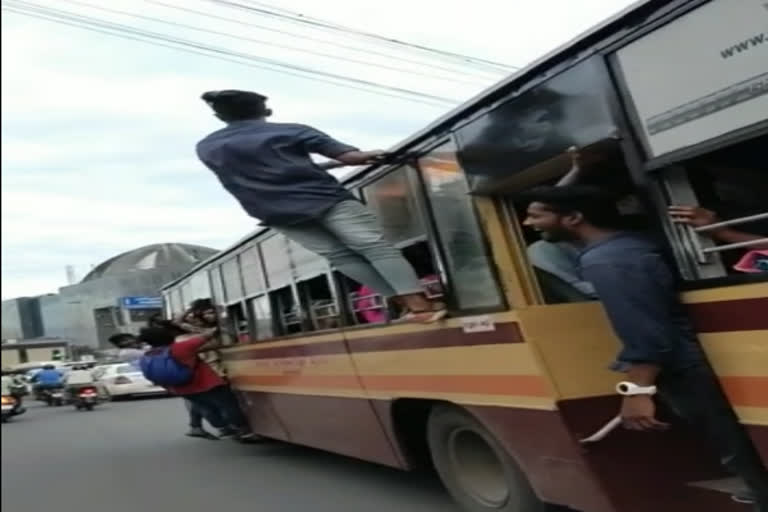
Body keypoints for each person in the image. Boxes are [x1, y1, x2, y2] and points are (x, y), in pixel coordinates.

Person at [522, 185, 768, 510]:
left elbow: (647, 338)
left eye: (537, 214)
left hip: (683, 369)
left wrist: (636, 392)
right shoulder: (634, 245)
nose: (528, 223)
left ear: (573, 218)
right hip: (693, 359)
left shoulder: (607, 261)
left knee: (734, 450)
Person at [196, 90, 445, 323]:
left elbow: (267, 171)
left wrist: (327, 167)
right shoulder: (292, 131)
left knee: (339, 256)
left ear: (219, 116)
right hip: (324, 198)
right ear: (266, 111)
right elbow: (349, 157)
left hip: (275, 212)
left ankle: (402, 304)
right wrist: (372, 154)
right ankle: (419, 304)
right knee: (374, 247)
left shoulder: (206, 147)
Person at [138, 326, 255, 441]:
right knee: (228, 405)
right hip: (207, 383)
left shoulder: (148, 355)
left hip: (182, 389)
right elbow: (206, 336)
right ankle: (244, 431)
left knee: (206, 408)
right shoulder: (180, 347)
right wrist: (217, 327)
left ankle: (224, 429)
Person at [108, 331, 219, 440]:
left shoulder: (138, 349)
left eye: (130, 338)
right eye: (125, 340)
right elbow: (160, 352)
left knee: (193, 398)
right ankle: (210, 425)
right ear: (119, 344)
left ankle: (196, 426)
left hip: (164, 374)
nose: (131, 341)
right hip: (165, 375)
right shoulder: (127, 352)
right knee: (195, 398)